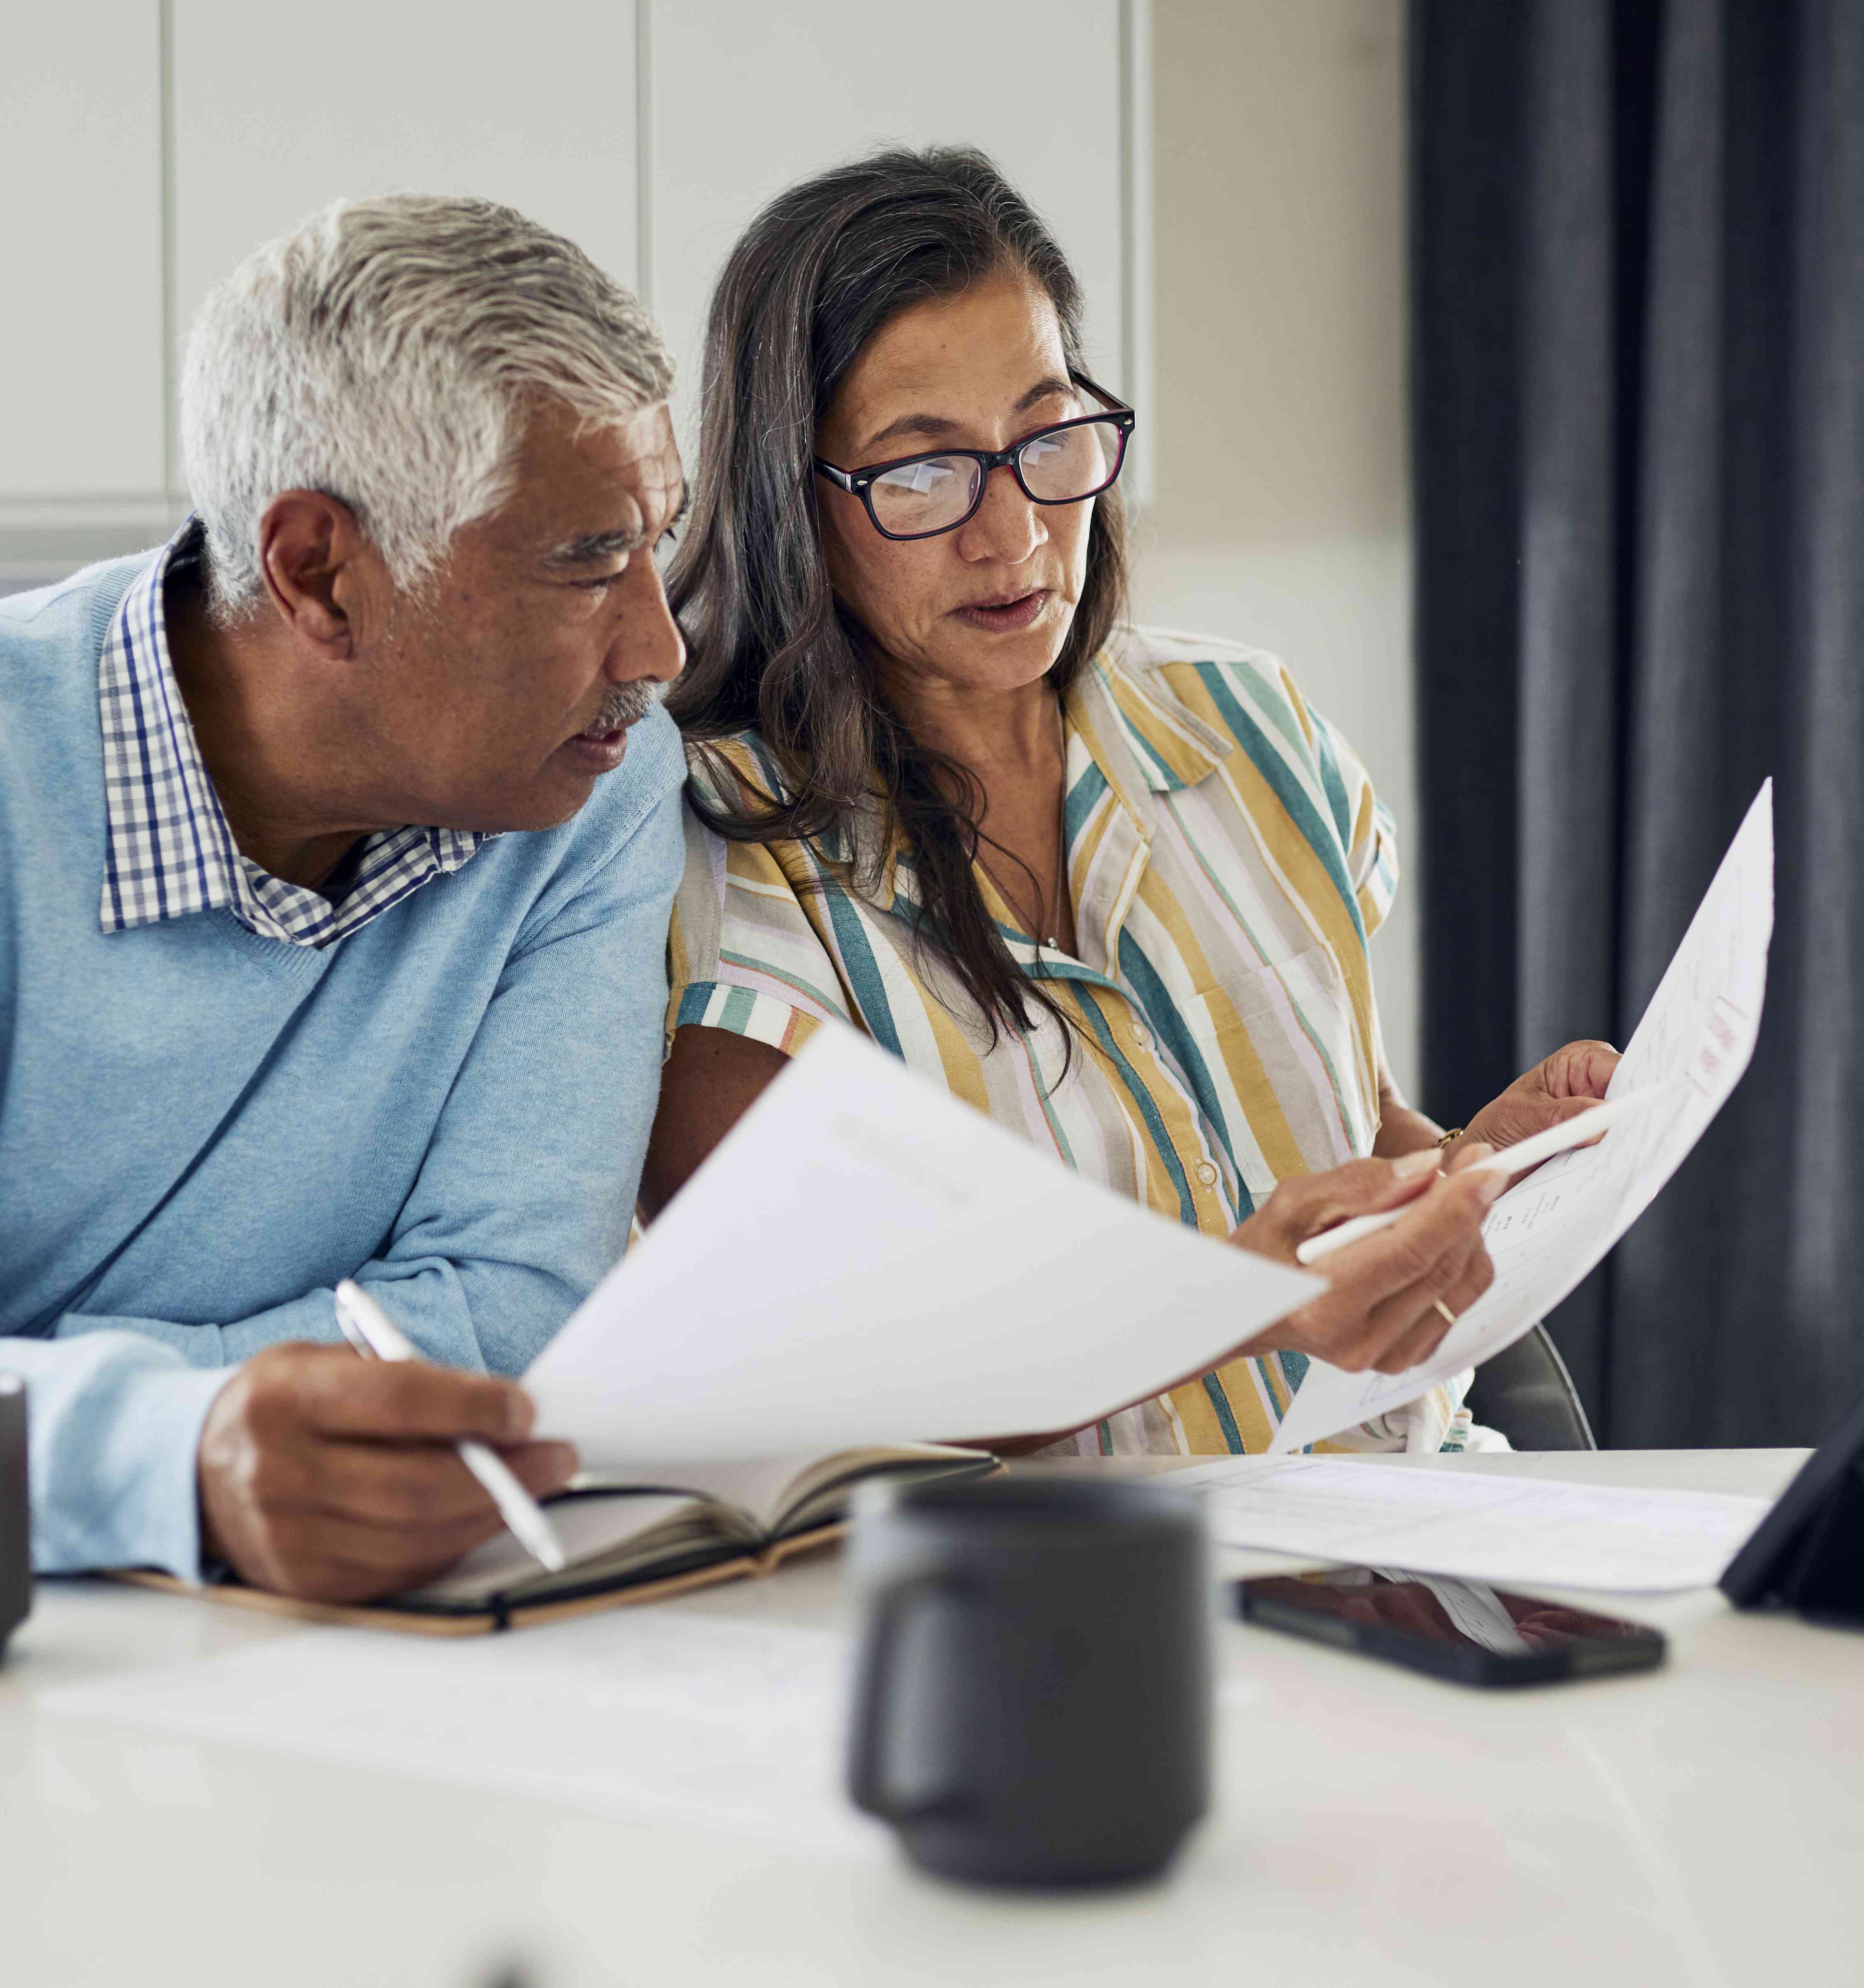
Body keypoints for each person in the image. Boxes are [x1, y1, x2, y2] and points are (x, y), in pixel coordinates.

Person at [0, 196, 688, 1603]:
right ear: (319, 574)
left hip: (341, 1659)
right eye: (587, 561)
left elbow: (509, 1326)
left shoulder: (591, 782)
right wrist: (174, 1458)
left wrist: (3, 1415)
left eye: (658, 542)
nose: (655, 643)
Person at [646, 150, 1617, 1456]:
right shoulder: (706, 865)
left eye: (1046, 438)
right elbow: (821, 1367)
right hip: (1059, 1602)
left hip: (1417, 1529)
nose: (1014, 536)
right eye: (920, 474)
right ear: (791, 498)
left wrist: (1464, 1170)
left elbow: (1345, 1116)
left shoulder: (1248, 725)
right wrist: (1241, 1306)